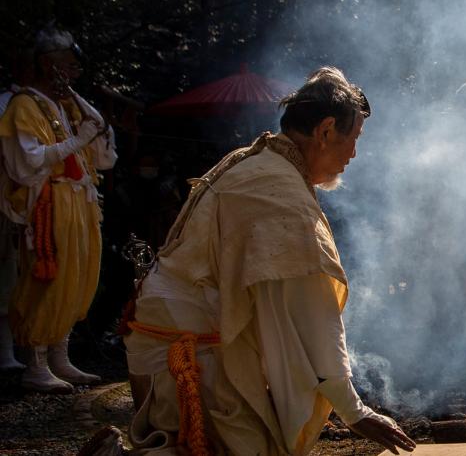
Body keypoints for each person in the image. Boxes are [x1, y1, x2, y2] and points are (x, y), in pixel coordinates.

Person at [117, 67, 414, 455]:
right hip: (187, 353)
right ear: (325, 131)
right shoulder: (280, 192)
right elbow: (313, 314)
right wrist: (354, 411)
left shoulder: (256, 161)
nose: (354, 154)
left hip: (170, 339)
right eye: (353, 138)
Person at [0, 28, 117, 393]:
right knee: (46, 281)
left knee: (76, 277)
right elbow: (26, 163)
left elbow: (104, 159)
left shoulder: (64, 106)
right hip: (49, 205)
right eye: (67, 66)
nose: (73, 74)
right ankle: (35, 364)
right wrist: (77, 139)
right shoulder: (23, 106)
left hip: (79, 203)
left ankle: (59, 356)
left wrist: (84, 120)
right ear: (47, 65)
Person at [0, 48, 35, 372]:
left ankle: (19, 351)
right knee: (7, 275)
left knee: (18, 276)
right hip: (9, 199)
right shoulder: (9, 104)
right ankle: (5, 349)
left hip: (22, 202)